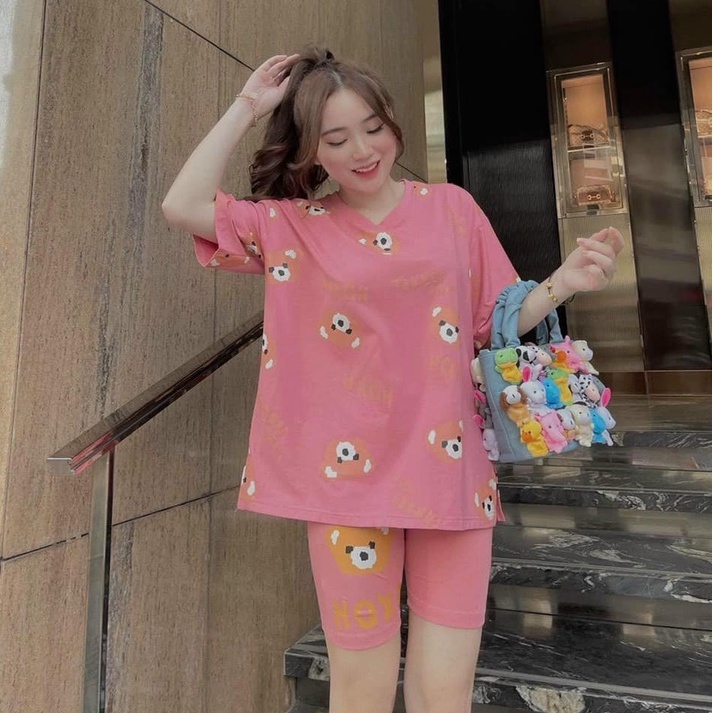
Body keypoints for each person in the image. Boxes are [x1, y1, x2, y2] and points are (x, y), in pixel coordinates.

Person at [162, 46, 623, 713]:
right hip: (346, 486)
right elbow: (182, 205)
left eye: (372, 127)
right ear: (311, 151)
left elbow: (491, 319)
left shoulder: (453, 208)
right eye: (336, 139)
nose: (361, 150)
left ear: (392, 123)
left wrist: (561, 283)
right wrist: (247, 107)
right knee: (361, 688)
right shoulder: (292, 225)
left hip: (451, 472)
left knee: (445, 692)